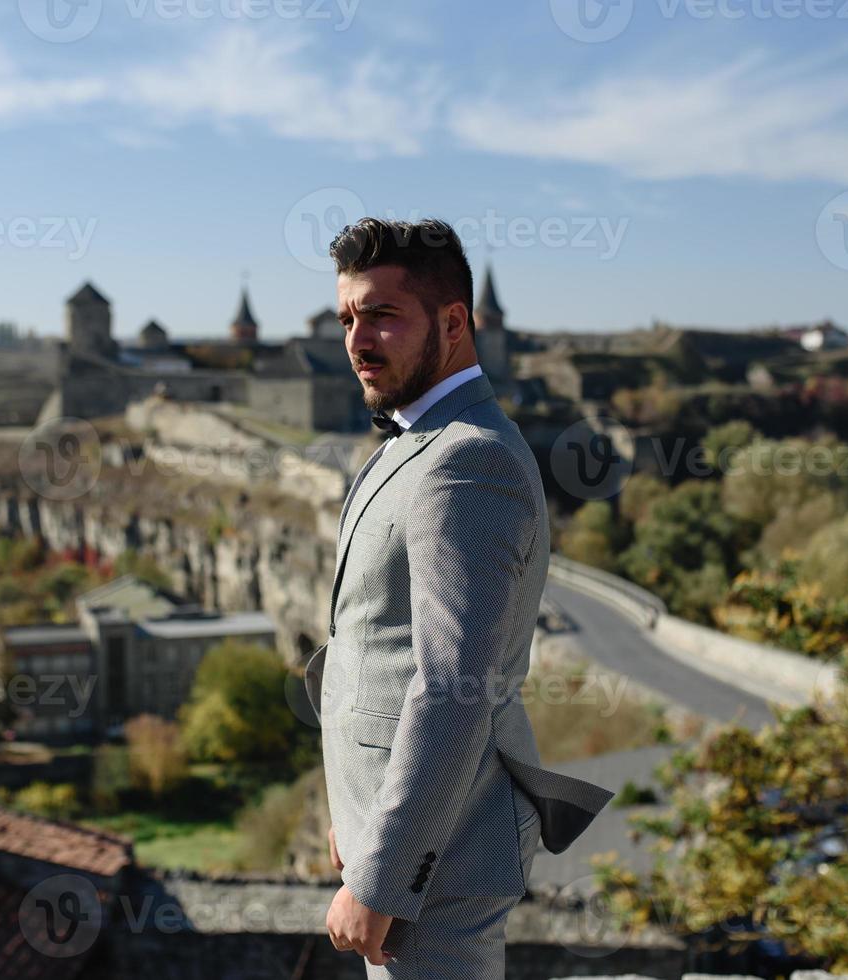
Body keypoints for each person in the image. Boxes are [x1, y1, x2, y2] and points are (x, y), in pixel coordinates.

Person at [304, 217, 615, 978]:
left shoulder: (466, 462)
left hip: (440, 859)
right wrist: (354, 814)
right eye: (348, 318)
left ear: (453, 323)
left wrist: (383, 873)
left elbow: (453, 689)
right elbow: (369, 650)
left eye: (381, 315)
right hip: (397, 830)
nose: (357, 338)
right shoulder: (409, 446)